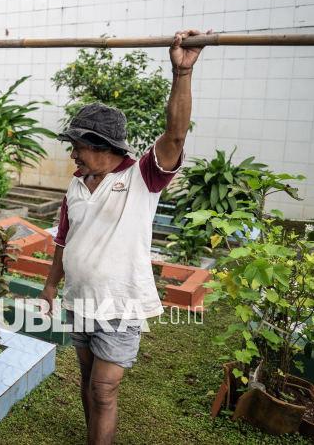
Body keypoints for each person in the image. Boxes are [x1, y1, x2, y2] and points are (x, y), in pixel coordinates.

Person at [39, 29, 211, 445]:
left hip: (121, 303)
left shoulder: (142, 177)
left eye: (78, 146)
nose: (73, 154)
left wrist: (181, 73)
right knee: (86, 379)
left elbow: (175, 136)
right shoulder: (76, 186)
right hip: (79, 298)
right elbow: (63, 239)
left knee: (104, 388)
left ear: (104, 146)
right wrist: (49, 286)